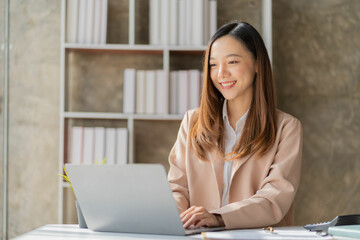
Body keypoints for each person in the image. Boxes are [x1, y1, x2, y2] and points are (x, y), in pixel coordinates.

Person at [167, 21, 303, 230]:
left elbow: (273, 199)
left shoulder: (287, 128)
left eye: (232, 62)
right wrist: (173, 216)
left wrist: (218, 217)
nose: (221, 73)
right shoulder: (192, 122)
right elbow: (177, 188)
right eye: (213, 65)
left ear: (258, 64)